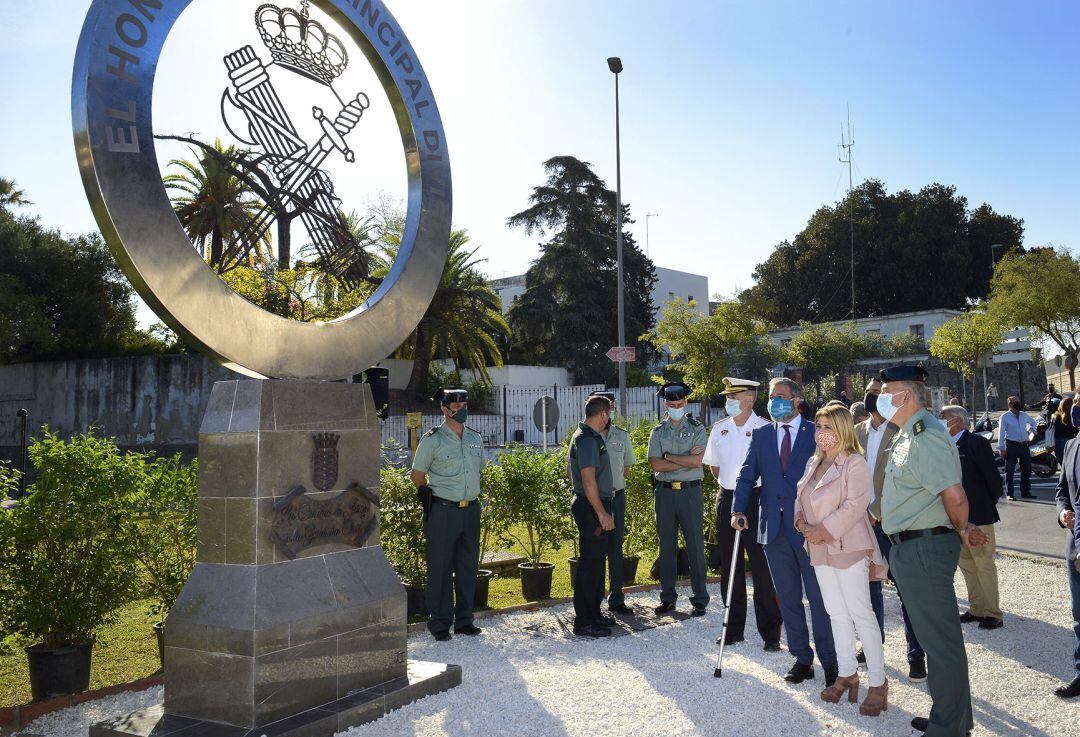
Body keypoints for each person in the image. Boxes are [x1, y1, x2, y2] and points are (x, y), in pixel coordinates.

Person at [878, 365, 989, 736]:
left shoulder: (925, 436)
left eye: (886, 390)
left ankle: (949, 728)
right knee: (935, 639)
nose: (881, 396)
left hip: (923, 549)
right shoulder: (908, 433)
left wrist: (962, 529)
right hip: (912, 548)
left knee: (940, 645)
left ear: (906, 396)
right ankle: (953, 715)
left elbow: (955, 496)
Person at [732, 377, 839, 687]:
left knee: (819, 599)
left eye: (780, 396)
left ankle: (830, 661)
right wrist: (738, 509)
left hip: (808, 528)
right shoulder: (763, 434)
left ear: (796, 400)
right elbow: (746, 475)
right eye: (771, 396)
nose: (774, 401)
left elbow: (833, 473)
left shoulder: (815, 432)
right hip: (773, 530)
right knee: (788, 597)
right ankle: (802, 658)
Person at [795, 404, 889, 716]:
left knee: (861, 614)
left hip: (847, 546)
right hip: (819, 547)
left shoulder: (854, 462)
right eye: (819, 426)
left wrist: (821, 530)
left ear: (843, 430)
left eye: (828, 427)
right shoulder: (814, 460)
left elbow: (855, 505)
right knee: (836, 613)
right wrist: (800, 522)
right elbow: (802, 497)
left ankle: (878, 683)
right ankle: (847, 674)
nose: (821, 433)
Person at [703, 377, 782, 650]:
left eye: (733, 398)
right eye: (728, 398)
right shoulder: (719, 429)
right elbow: (714, 469)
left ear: (749, 400)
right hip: (727, 499)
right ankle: (733, 629)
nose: (728, 402)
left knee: (762, 568)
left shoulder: (765, 429)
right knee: (730, 566)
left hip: (757, 500)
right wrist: (731, 491)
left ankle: (771, 633)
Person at [855, 377, 926, 682]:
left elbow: (903, 479)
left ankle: (916, 655)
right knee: (868, 591)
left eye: (879, 394)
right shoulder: (856, 432)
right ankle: (873, 646)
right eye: (870, 394)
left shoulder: (903, 429)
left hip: (892, 524)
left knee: (907, 592)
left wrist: (877, 512)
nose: (875, 399)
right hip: (861, 524)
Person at [411, 387, 485, 641]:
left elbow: (479, 471)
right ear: (444, 409)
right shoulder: (432, 440)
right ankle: (441, 623)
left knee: (467, 567)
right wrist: (429, 495)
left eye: (465, 406)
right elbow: (417, 476)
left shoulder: (475, 438)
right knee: (440, 568)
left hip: (470, 510)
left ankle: (465, 620)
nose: (462, 410)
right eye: (457, 407)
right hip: (443, 511)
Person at [940, 405, 1005, 630]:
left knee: (984, 563)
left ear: (958, 420)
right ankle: (977, 608)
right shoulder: (943, 445)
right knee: (967, 564)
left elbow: (993, 480)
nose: (940, 420)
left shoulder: (976, 443)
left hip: (979, 516)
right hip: (956, 519)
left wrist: (985, 506)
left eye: (944, 417)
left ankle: (993, 613)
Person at [648, 382, 710, 616]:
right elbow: (655, 464)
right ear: (665, 404)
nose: (676, 407)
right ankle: (668, 598)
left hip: (690, 493)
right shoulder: (658, 432)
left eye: (680, 403)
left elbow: (697, 462)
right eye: (672, 404)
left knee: (695, 545)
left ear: (685, 403)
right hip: (664, 493)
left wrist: (669, 457)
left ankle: (700, 599)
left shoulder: (697, 428)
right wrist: (683, 458)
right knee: (666, 546)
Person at [568, 395, 618, 638]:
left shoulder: (587, 437)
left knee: (597, 563)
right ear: (603, 415)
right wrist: (601, 513)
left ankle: (594, 613)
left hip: (593, 504)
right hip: (591, 506)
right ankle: (584, 621)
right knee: (590, 565)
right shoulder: (587, 440)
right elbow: (588, 481)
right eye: (609, 413)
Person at [587, 390, 637, 614]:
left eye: (611, 407)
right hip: (594, 502)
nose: (608, 412)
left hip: (616, 499)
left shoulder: (621, 436)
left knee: (616, 550)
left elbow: (625, 470)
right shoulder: (586, 437)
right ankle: (594, 602)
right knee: (594, 552)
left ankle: (616, 599)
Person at [1054, 433, 1080, 698]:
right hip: (1075, 549)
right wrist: (1062, 513)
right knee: (1079, 616)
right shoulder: (1072, 445)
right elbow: (1062, 490)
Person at [998, 395, 1037, 500]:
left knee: (1027, 469)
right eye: (1015, 402)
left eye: (1018, 401)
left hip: (1024, 444)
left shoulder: (1024, 415)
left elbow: (1033, 422)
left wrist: (1031, 430)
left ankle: (1026, 492)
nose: (1018, 403)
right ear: (1010, 404)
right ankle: (1010, 494)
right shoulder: (1005, 416)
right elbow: (1001, 433)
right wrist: (1001, 448)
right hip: (1011, 445)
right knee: (1010, 470)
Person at [1053, 396, 1079, 461]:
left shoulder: (1055, 416)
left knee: (1063, 465)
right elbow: (1076, 430)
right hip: (1070, 443)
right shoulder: (1072, 418)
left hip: (1057, 442)